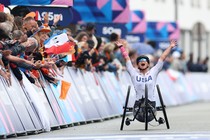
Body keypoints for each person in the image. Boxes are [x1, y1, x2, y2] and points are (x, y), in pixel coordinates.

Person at [115, 39, 176, 122]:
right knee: (141, 103)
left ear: (148, 64)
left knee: (149, 103)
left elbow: (162, 58)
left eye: (144, 61)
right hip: (138, 104)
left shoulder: (153, 72)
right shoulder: (134, 73)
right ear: (137, 64)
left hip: (151, 103)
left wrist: (170, 47)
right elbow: (127, 59)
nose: (142, 61)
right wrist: (122, 47)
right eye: (140, 61)